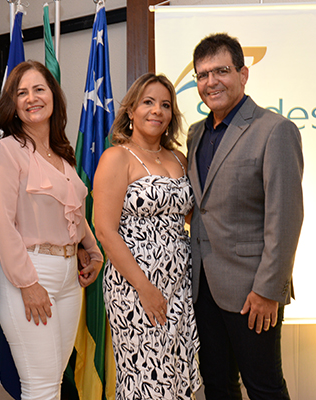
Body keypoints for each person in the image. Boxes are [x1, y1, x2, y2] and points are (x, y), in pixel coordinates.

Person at [186, 33, 304, 400]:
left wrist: (268, 290)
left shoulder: (274, 130)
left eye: (221, 71)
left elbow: (285, 218)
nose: (211, 82)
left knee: (264, 388)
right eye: (202, 75)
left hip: (252, 291)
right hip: (202, 288)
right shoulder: (195, 134)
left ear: (243, 74)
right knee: (218, 386)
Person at [0, 60, 103, 400]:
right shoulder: (6, 151)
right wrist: (27, 283)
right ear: (13, 105)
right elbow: (1, 224)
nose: (32, 98)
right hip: (30, 273)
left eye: (39, 89)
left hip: (69, 277)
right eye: (22, 93)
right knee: (41, 386)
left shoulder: (61, 155)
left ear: (53, 96)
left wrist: (93, 250)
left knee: (54, 380)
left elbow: (74, 211)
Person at [94, 73, 202, 400]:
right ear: (131, 110)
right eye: (148, 102)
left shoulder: (179, 158)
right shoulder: (117, 157)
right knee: (146, 378)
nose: (157, 111)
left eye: (165, 105)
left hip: (180, 284)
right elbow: (105, 230)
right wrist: (145, 288)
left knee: (175, 375)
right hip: (135, 287)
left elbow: (191, 216)